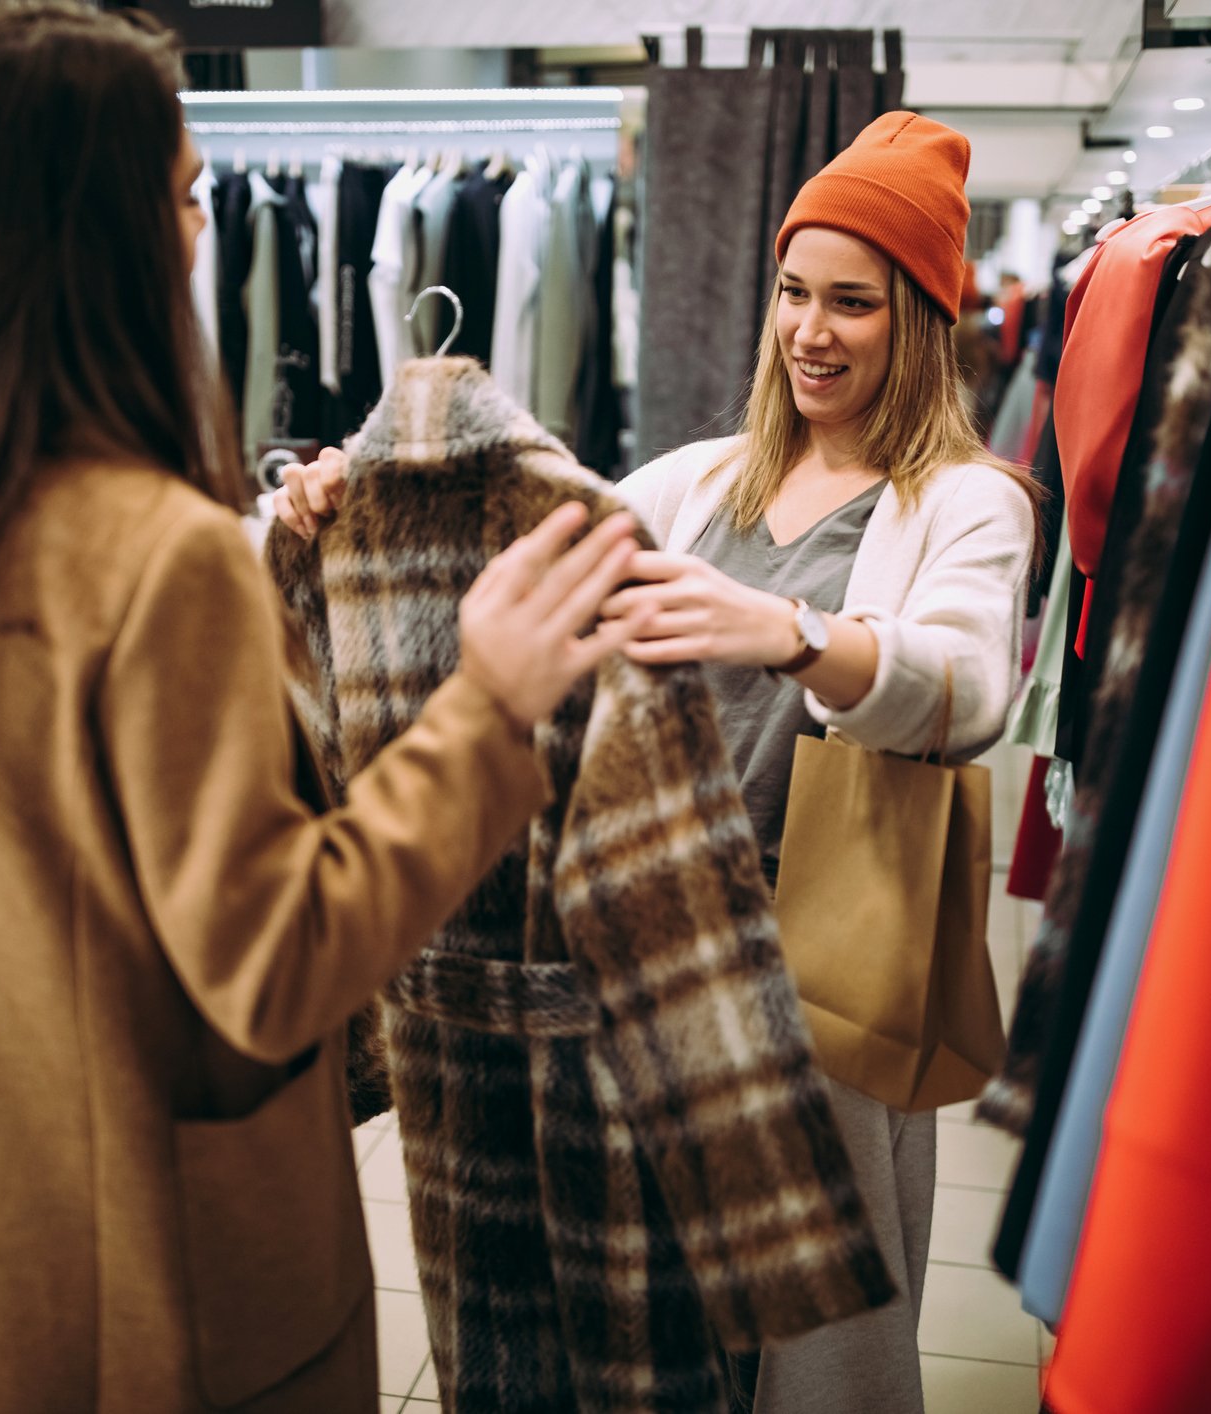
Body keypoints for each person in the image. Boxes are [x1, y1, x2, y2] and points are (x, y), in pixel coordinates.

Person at [0, 5, 647, 1412]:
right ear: (99, 231)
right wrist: (482, 713)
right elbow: (275, 959)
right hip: (144, 1274)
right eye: (185, 195)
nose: (198, 232)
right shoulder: (152, 555)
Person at [281, 110, 1036, 1414]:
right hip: (671, 954)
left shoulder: (966, 500)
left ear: (916, 318)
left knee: (818, 1344)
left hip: (827, 965)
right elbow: (524, 539)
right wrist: (359, 487)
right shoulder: (698, 482)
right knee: (669, 1317)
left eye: (852, 302)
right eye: (793, 294)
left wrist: (792, 633)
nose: (810, 330)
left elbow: (968, 690)